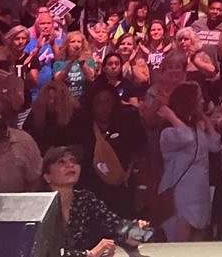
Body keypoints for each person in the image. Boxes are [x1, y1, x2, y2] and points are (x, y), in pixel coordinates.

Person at [43, 146, 151, 257]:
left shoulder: (85, 198)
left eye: (73, 161)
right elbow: (44, 252)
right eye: (61, 162)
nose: (70, 165)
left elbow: (113, 224)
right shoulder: (39, 206)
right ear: (47, 177)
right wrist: (90, 254)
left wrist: (134, 232)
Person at [156, 81, 222, 241]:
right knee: (180, 244)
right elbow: (186, 137)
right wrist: (171, 115)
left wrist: (205, 119)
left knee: (197, 244)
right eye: (199, 98)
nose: (203, 101)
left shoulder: (197, 129)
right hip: (181, 197)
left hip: (200, 194)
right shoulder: (168, 133)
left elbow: (215, 145)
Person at [70, 86, 146, 218]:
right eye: (98, 102)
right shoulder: (82, 130)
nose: (103, 107)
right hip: (92, 191)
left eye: (107, 101)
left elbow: (140, 150)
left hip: (123, 190)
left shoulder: (127, 126)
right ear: (91, 105)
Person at [24, 78, 79, 154]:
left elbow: (78, 141)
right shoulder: (37, 110)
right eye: (49, 98)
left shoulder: (74, 112)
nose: (51, 101)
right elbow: (26, 130)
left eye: (55, 99)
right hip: (41, 152)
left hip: (66, 153)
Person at [54, 31, 98, 101]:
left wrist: (81, 62)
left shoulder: (89, 61)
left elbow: (91, 77)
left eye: (79, 42)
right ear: (67, 45)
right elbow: (58, 80)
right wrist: (71, 62)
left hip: (84, 101)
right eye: (73, 42)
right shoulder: (59, 63)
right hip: (66, 101)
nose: (76, 44)